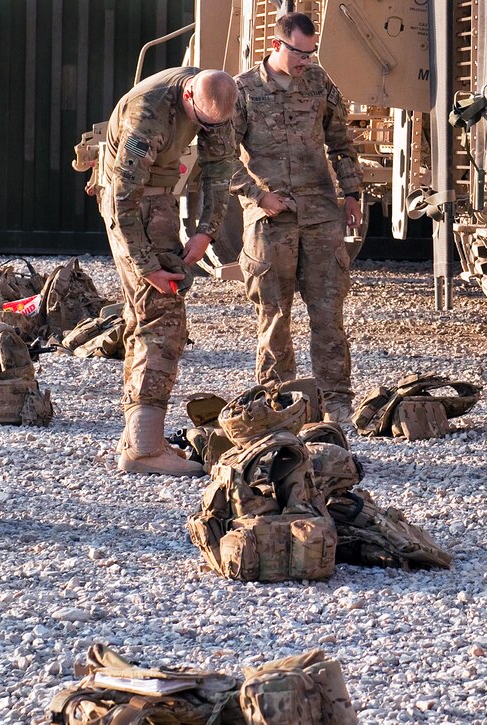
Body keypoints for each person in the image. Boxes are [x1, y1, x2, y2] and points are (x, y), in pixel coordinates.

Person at [95, 67, 237, 476]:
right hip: (131, 202)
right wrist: (147, 267)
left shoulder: (219, 100)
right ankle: (144, 449)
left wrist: (206, 231)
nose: (208, 131)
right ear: (188, 96)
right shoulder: (148, 114)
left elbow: (219, 169)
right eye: (202, 123)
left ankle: (138, 438)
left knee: (144, 316)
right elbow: (122, 200)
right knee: (162, 318)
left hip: (160, 200)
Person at [229, 12, 363, 424]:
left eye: (311, 53)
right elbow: (220, 157)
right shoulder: (243, 90)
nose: (306, 61)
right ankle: (279, 400)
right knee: (274, 314)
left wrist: (352, 194)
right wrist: (258, 196)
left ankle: (336, 399)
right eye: (299, 53)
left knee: (328, 311)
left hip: (320, 215)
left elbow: (341, 142)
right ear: (276, 45)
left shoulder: (320, 83)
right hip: (271, 219)